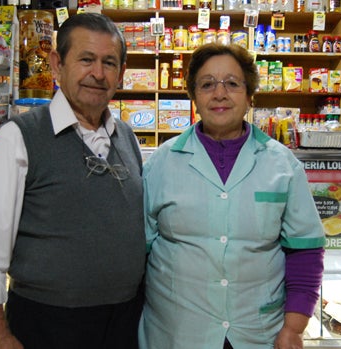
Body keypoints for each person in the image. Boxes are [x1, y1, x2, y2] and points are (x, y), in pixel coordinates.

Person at [0, 13, 146, 349]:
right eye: (86, 59)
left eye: (109, 62)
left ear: (120, 73)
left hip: (124, 322)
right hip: (47, 324)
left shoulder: (127, 138)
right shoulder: (19, 137)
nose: (98, 74)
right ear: (57, 65)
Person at [139, 43, 326, 349]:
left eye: (232, 83)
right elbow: (138, 253)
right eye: (207, 84)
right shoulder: (161, 163)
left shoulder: (282, 165)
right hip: (176, 333)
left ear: (250, 96)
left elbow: (305, 250)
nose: (220, 93)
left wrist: (294, 327)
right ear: (194, 97)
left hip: (258, 332)